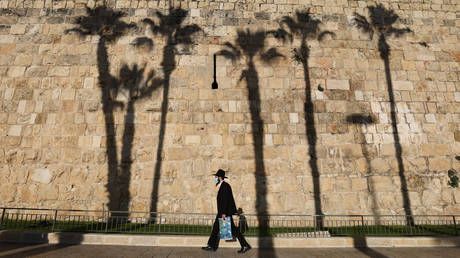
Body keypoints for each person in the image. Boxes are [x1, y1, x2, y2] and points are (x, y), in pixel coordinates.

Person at [202, 169, 251, 253]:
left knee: (234, 230)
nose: (215, 178)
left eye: (216, 177)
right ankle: (211, 245)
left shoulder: (225, 186)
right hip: (221, 212)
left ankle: (245, 245)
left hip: (224, 213)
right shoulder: (222, 185)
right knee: (215, 228)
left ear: (220, 177)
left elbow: (225, 200)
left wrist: (224, 213)